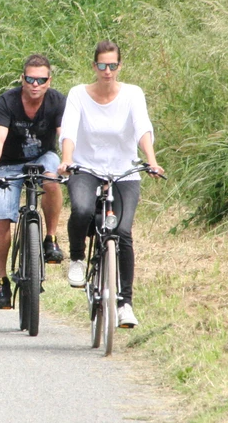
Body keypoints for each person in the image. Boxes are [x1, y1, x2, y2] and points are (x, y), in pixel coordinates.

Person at [58, 41, 163, 328]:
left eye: (112, 66)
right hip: (86, 168)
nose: (107, 71)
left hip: (123, 172)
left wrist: (151, 160)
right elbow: (69, 129)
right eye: (102, 65)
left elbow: (142, 127)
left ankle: (125, 304)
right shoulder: (79, 94)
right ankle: (78, 258)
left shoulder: (132, 94)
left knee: (123, 231)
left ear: (120, 66)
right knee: (80, 210)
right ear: (94, 66)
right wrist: (67, 160)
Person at [0, 54, 66, 310]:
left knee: (51, 180)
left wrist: (70, 162)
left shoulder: (58, 101)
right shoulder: (8, 100)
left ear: (49, 81)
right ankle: (2, 279)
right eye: (30, 79)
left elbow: (64, 136)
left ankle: (50, 238)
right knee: (2, 216)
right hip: (9, 162)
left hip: (44, 157)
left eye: (41, 80)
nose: (35, 84)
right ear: (23, 79)